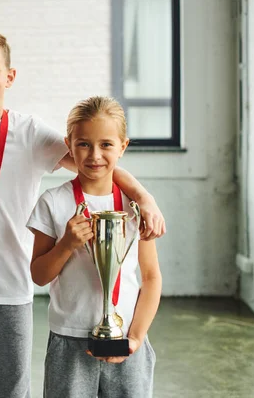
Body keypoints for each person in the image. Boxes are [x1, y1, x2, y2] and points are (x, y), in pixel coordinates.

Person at [0, 27, 165, 398]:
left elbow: (95, 163)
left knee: (10, 390)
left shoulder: (31, 133)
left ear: (10, 76)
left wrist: (143, 196)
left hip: (11, 288)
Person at [28, 96, 162, 397]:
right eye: (84, 144)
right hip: (69, 339)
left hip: (128, 337)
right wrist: (66, 244)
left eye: (106, 144)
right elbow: (38, 275)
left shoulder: (136, 206)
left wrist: (136, 338)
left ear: (123, 147)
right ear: (69, 145)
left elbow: (151, 278)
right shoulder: (53, 202)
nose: (94, 155)